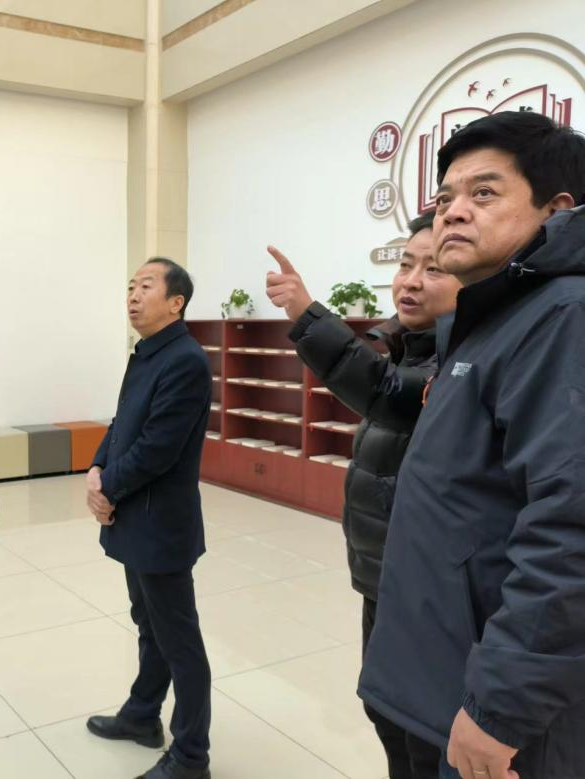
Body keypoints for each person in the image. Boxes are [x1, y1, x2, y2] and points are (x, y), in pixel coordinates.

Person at [359, 111, 585, 779]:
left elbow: (569, 528)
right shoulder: (492, 316)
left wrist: (501, 706)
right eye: (445, 197)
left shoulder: (564, 316)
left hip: (499, 705)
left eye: (484, 193)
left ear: (557, 210)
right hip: (446, 669)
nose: (452, 212)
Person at [265, 210, 460, 778]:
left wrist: (307, 314)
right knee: (384, 711)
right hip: (382, 578)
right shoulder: (406, 345)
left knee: (423, 735)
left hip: (425, 589)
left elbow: (385, 392)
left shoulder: (461, 361)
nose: (411, 281)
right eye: (405, 264)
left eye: (434, 269)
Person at [84, 257, 213, 779]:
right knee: (149, 624)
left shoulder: (186, 361)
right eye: (130, 287)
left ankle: (191, 756)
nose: (133, 296)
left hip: (160, 524)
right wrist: (97, 466)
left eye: (146, 286)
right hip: (135, 516)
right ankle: (142, 715)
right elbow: (123, 424)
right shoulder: (147, 354)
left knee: (180, 640)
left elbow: (158, 447)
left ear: (176, 302)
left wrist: (108, 488)